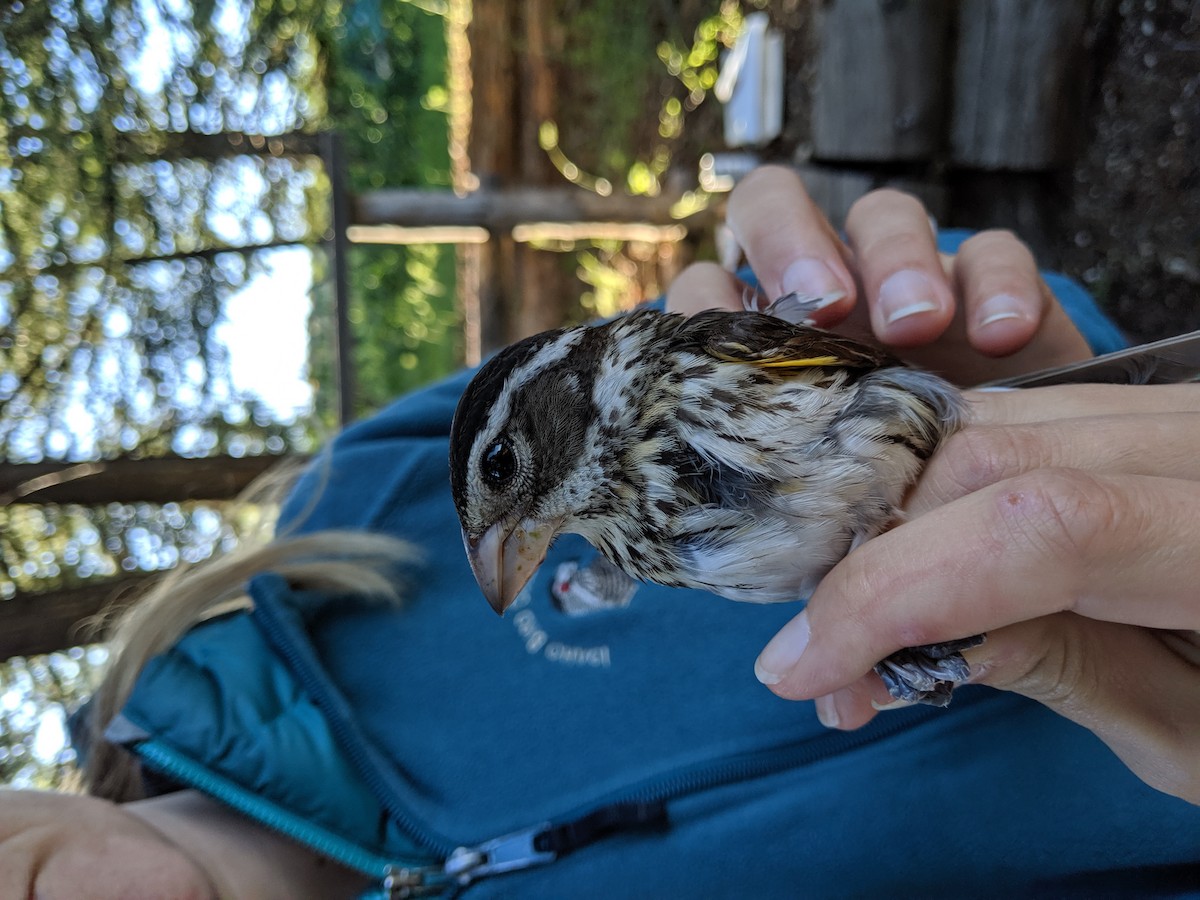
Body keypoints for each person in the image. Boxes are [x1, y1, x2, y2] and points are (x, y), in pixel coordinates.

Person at [2, 166, 1197, 899]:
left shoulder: (360, 503)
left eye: (511, 484)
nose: (510, 556)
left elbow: (909, 349)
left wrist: (1024, 369)